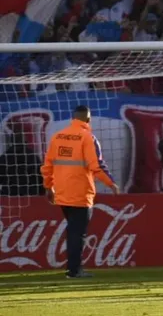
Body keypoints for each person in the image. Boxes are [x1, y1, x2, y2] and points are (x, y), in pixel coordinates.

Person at [40, 105, 120, 279]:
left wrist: (48, 187)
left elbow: (47, 166)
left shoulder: (58, 136)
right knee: (77, 232)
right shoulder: (87, 138)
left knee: (73, 230)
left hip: (62, 193)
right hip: (81, 194)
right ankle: (74, 271)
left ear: (73, 117)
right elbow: (96, 166)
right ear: (88, 119)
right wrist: (111, 183)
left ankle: (73, 268)